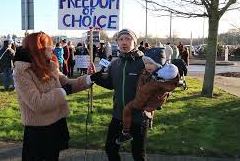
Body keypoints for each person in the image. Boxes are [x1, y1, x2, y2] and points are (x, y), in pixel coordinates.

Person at [14, 32, 95, 161]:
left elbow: (67, 83)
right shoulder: (22, 72)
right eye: (49, 46)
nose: (52, 49)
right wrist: (63, 92)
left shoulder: (49, 65)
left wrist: (90, 79)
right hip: (39, 132)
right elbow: (37, 103)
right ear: (38, 49)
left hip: (56, 124)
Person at [89, 29, 148, 161]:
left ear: (135, 42)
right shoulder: (115, 64)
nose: (124, 42)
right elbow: (110, 84)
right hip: (118, 115)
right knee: (110, 149)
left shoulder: (144, 63)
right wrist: (95, 77)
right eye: (121, 39)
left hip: (138, 116)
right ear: (117, 42)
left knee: (138, 154)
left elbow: (157, 87)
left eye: (128, 39)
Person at [116, 48, 179, 144]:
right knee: (148, 109)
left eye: (151, 63)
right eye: (146, 63)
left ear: (159, 64)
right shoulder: (148, 73)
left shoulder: (159, 79)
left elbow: (161, 89)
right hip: (145, 100)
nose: (147, 66)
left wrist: (150, 103)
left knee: (127, 109)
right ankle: (149, 116)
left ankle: (125, 132)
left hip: (142, 101)